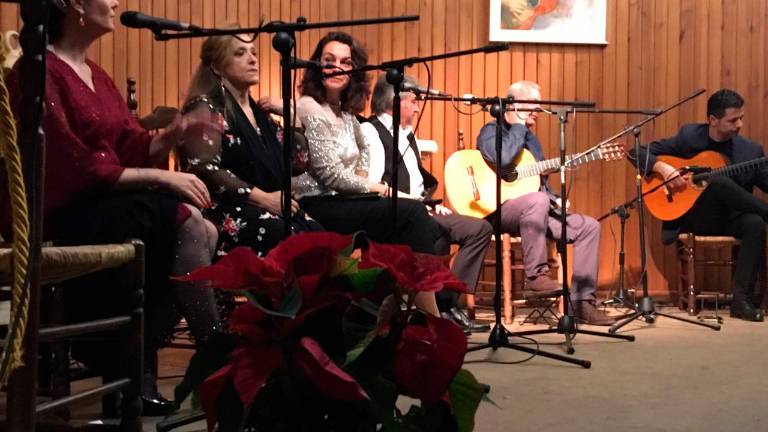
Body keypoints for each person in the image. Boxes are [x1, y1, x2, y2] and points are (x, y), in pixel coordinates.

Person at [6, 0, 221, 415]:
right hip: (67, 212)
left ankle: (137, 361)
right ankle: (216, 356)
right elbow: (72, 167)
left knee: (203, 229)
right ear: (72, 6)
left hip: (104, 204)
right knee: (188, 222)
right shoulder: (36, 72)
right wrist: (163, 176)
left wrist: (174, 134)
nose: (116, 3)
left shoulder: (96, 75)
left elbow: (130, 147)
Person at [476, 80, 615, 325]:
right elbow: (505, 159)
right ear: (513, 104)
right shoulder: (491, 131)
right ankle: (536, 276)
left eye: (538, 107)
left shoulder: (532, 140)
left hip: (535, 211)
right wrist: (518, 126)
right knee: (537, 201)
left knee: (589, 226)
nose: (537, 111)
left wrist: (556, 198)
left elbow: (534, 180)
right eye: (531, 106)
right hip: (498, 209)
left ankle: (582, 303)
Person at [361, 74, 492, 333]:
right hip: (396, 211)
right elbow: (374, 183)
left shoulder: (406, 134)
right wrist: (418, 205)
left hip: (423, 208)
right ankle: (442, 308)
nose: (419, 107)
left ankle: (449, 302)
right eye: (414, 100)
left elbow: (417, 180)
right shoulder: (371, 131)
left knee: (480, 229)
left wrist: (431, 203)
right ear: (395, 103)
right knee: (434, 232)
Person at [294, 32, 443, 256]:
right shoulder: (309, 105)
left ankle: (416, 289)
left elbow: (364, 147)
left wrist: (361, 177)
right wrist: (381, 189)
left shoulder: (345, 112)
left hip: (345, 200)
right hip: (319, 203)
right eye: (329, 60)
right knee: (412, 213)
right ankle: (422, 288)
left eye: (346, 62)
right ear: (317, 65)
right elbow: (330, 175)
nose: (337, 67)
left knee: (428, 225)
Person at [181, 31, 323, 258]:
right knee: (286, 237)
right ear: (217, 67)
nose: (253, 59)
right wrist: (264, 198)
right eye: (240, 53)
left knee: (319, 235)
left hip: (270, 207)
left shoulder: (260, 114)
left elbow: (299, 161)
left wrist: (291, 118)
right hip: (228, 211)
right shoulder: (205, 107)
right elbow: (205, 168)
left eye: (254, 52)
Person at [630, 88, 767, 322]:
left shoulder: (751, 151)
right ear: (712, 120)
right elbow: (636, 152)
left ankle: (740, 300)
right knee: (715, 180)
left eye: (741, 118)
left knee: (755, 223)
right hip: (694, 216)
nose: (740, 124)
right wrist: (664, 169)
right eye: (733, 120)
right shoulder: (689, 137)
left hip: (731, 218)